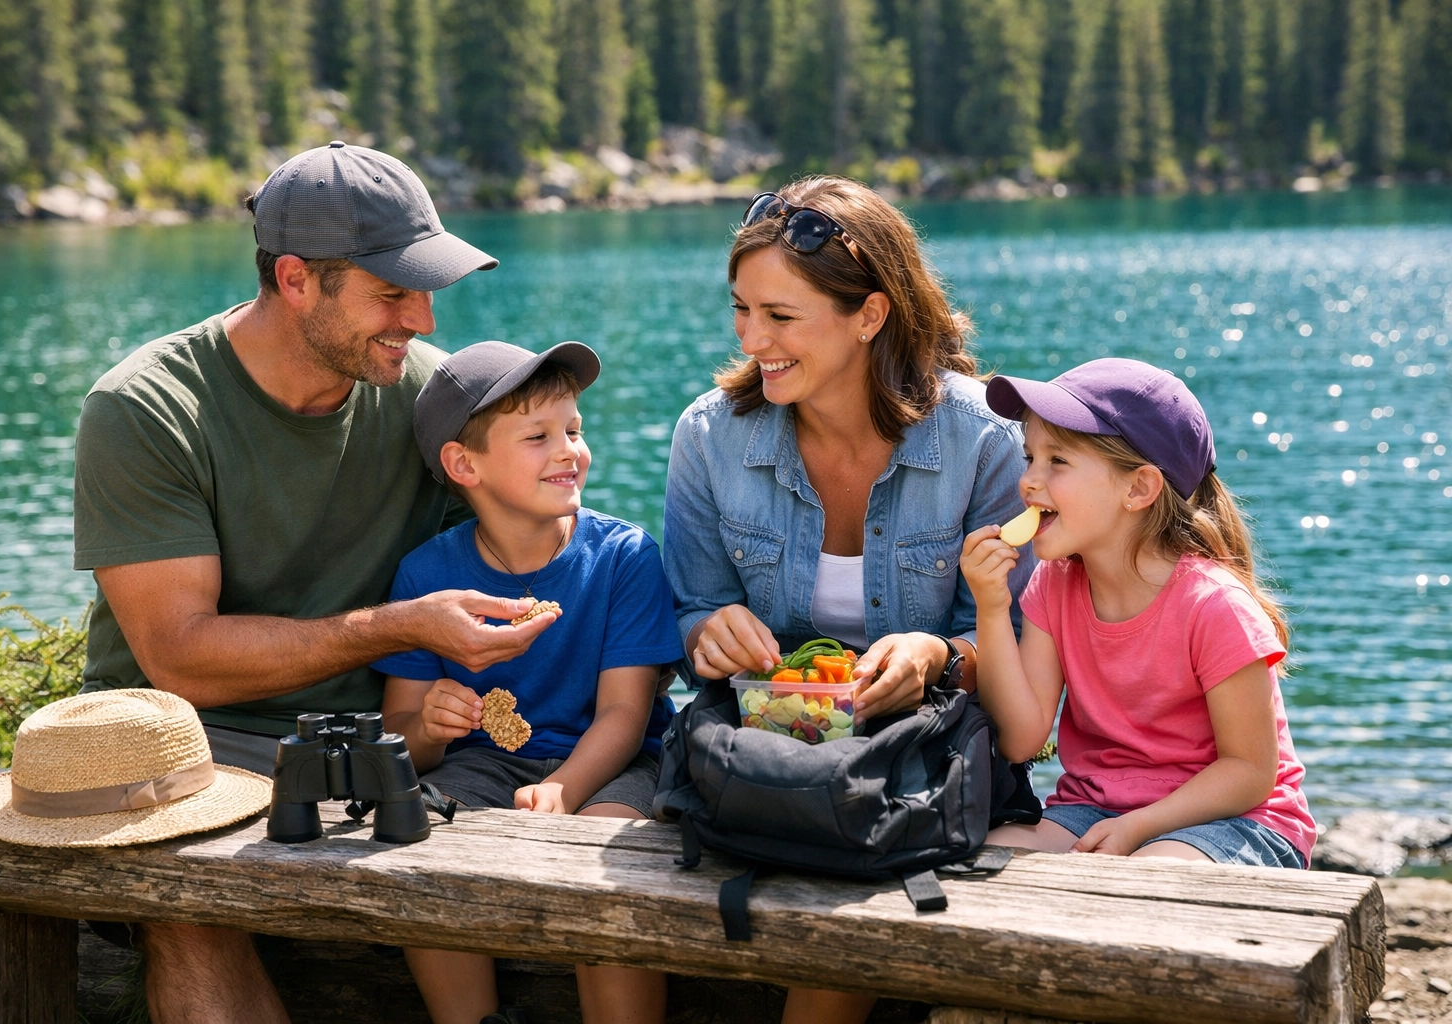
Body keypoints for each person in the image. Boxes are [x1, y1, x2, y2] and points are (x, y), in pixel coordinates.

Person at [72, 142, 556, 1024]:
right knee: (191, 902)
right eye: (392, 293)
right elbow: (181, 659)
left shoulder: (423, 398)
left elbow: (505, 547)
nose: (424, 320)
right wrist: (401, 625)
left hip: (386, 745)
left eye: (427, 290)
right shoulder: (145, 409)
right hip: (190, 748)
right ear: (296, 280)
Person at [662, 176, 1035, 1024]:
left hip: (922, 778)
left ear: (870, 315)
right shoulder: (707, 436)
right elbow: (692, 610)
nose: (752, 338)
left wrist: (938, 655)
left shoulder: (985, 440)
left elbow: (1018, 644)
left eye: (781, 316)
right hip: (766, 773)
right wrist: (707, 633)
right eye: (741, 310)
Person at [376, 341, 683, 1024]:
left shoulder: (623, 557)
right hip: (484, 763)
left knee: (605, 858)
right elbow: (402, 739)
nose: (569, 449)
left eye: (573, 429)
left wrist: (564, 791)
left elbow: (625, 715)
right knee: (417, 837)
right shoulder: (426, 578)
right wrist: (431, 723)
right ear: (465, 464)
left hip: (614, 765)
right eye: (538, 436)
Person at [959, 358, 1316, 868]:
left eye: (1057, 461)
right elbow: (1020, 740)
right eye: (1029, 457)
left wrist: (1139, 828)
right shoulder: (1053, 585)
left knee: (1151, 878)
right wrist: (992, 608)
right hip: (1095, 808)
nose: (1028, 482)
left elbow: (1250, 771)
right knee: (982, 862)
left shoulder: (1215, 606)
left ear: (1138, 489)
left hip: (1237, 818)